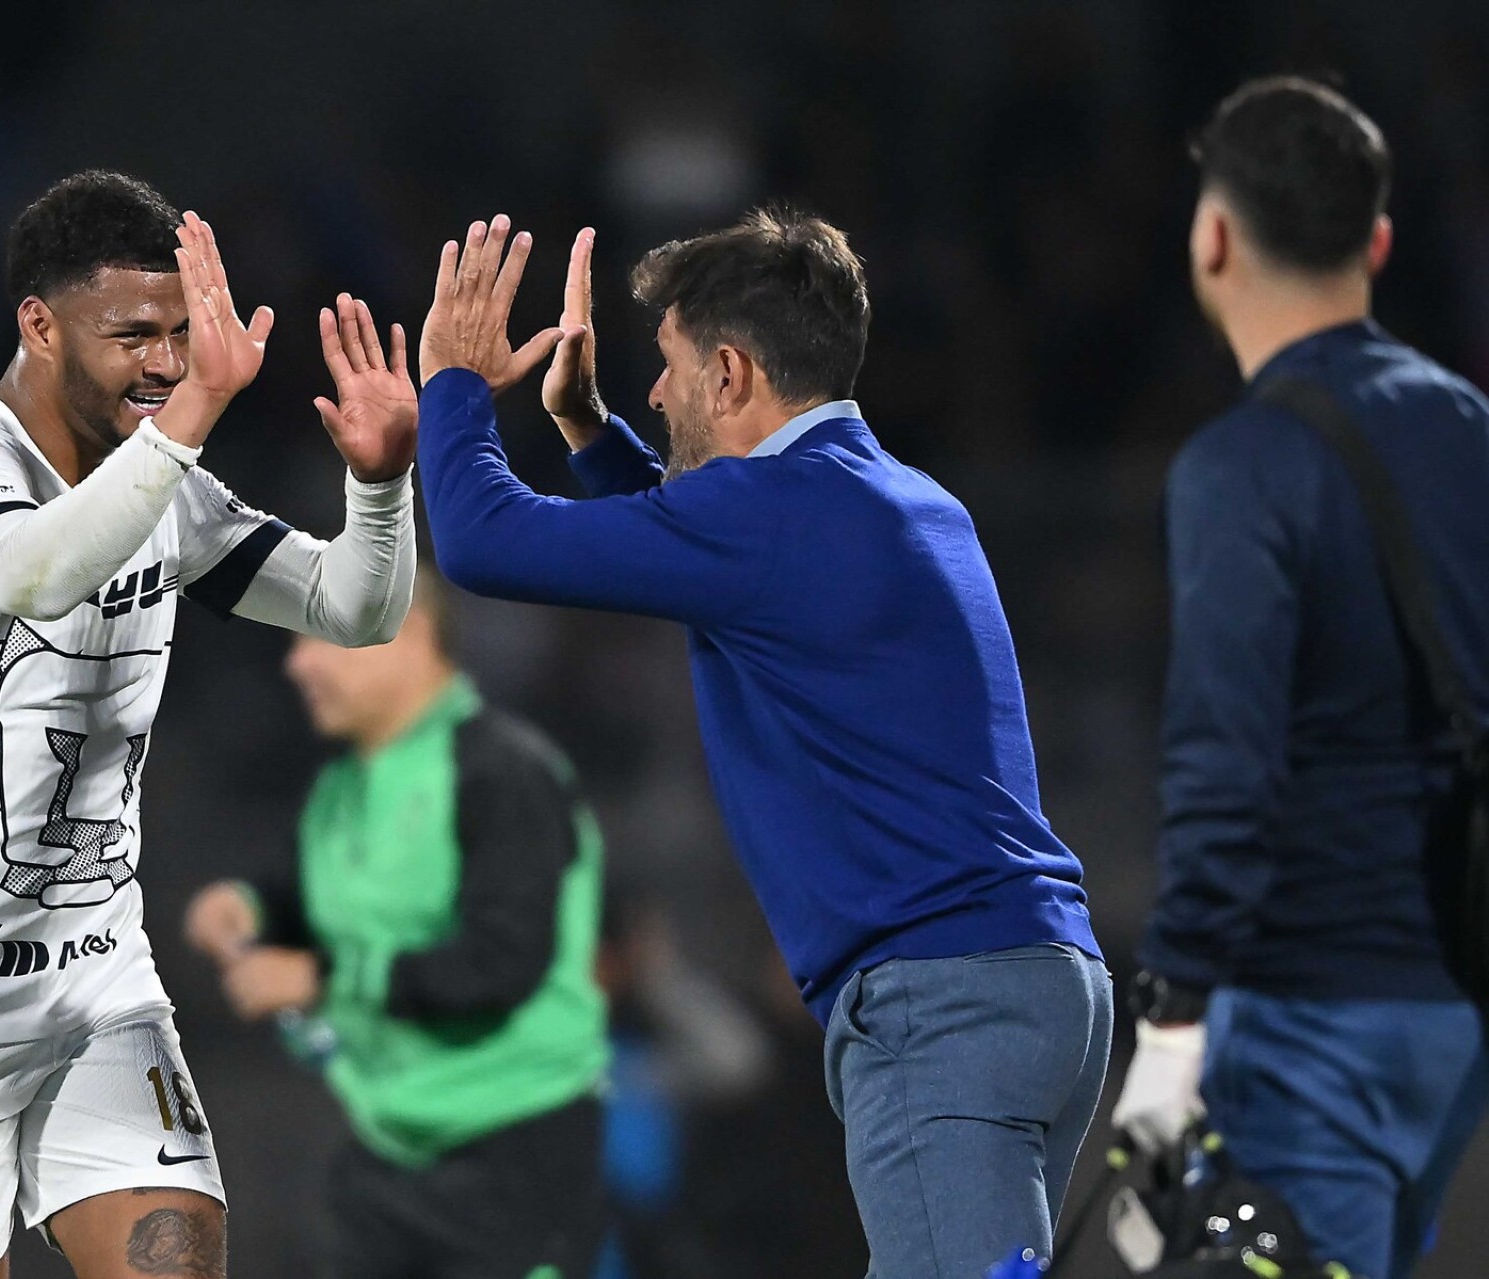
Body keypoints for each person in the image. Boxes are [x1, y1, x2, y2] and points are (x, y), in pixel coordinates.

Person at [408, 210, 1111, 1277]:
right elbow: (706, 553)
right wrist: (589, 429)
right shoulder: (904, 498)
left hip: (941, 999)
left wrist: (454, 383)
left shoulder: (769, 515)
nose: (655, 392)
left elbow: (477, 540)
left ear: (729, 372)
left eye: (669, 363)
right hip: (1040, 983)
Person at [0, 169, 419, 1279]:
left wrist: (380, 484)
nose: (166, 363)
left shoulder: (161, 484)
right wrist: (192, 421)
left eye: (179, 333)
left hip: (93, 981)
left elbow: (353, 607)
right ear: (39, 325)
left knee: (180, 1256)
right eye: (133, 335)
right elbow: (34, 570)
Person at [1112, 77, 1489, 1279]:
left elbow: (1224, 760)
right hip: (1456, 1012)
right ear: (1375, 242)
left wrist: (1173, 1021)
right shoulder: (1471, 428)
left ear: (1213, 239)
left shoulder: (1243, 466)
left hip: (1311, 1013)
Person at [182, 566, 609, 1279]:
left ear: (408, 631)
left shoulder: (503, 771)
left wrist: (322, 979)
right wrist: (248, 905)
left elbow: (502, 962)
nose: (299, 664)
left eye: (319, 637)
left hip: (515, 1163)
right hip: (386, 1154)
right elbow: (303, 898)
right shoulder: (340, 786)